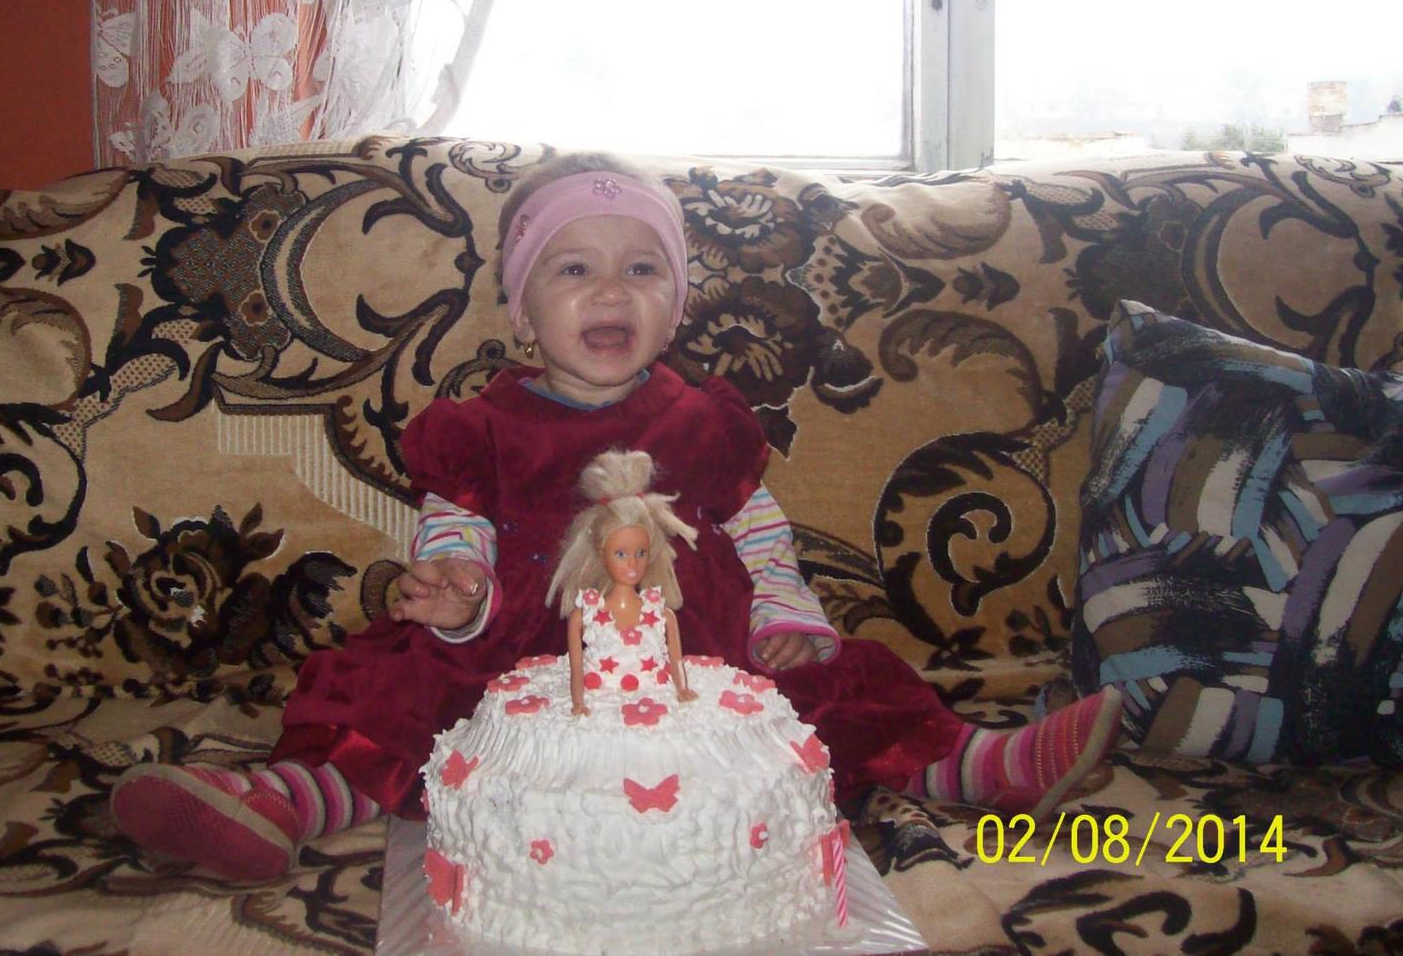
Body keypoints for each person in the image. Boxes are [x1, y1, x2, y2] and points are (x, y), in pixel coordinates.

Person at [111, 153, 1123, 881]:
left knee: (839, 682)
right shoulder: (480, 426)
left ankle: (975, 762)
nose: (611, 289)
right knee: (387, 682)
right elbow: (456, 529)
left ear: (674, 305)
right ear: (522, 309)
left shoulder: (704, 417)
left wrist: (786, 615)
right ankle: (288, 800)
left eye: (642, 269)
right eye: (574, 268)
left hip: (700, 659)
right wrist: (457, 594)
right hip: (513, 655)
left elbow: (760, 531)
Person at [548, 449, 699, 716]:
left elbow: (676, 661)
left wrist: (682, 689)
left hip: (657, 703)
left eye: (641, 553)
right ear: (601, 554)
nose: (633, 564)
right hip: (601, 708)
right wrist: (578, 703)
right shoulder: (584, 616)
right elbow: (577, 667)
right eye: (620, 554)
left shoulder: (661, 614)